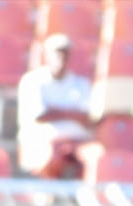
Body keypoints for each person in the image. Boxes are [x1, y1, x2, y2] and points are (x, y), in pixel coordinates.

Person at [16, 33, 95, 179]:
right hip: (42, 141)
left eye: (65, 52)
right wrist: (72, 114)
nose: (61, 56)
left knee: (95, 157)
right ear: (46, 54)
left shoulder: (81, 84)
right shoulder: (32, 81)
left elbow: (87, 118)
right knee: (51, 155)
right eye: (57, 52)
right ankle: (46, 197)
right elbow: (40, 116)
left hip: (77, 141)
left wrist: (55, 111)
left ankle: (85, 198)